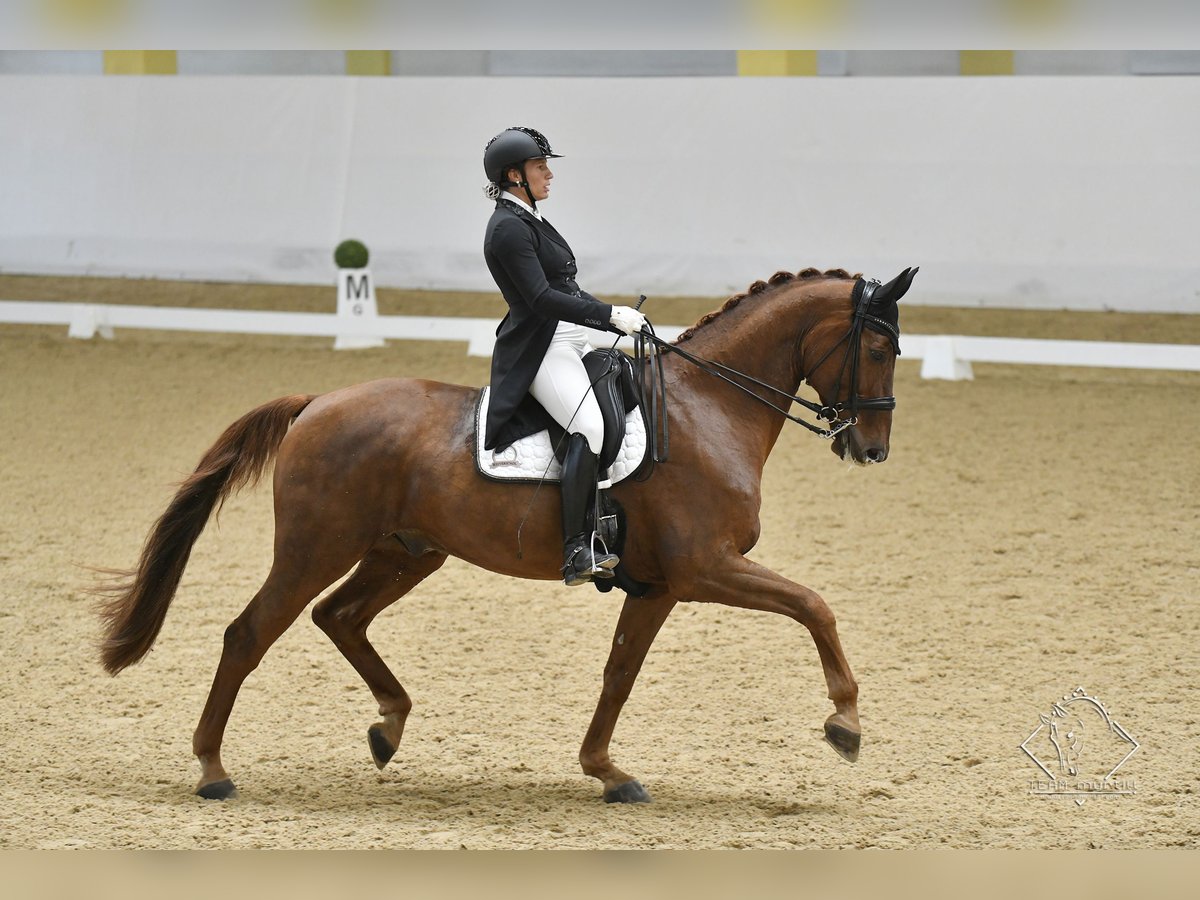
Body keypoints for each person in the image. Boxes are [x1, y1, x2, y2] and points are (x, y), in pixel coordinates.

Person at [481, 126, 647, 587]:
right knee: (587, 426)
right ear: (514, 175)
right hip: (544, 345)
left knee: (652, 371)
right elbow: (539, 299)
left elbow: (566, 289)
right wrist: (607, 314)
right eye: (540, 167)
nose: (549, 174)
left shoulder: (529, 216)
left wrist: (613, 319)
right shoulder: (508, 228)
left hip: (570, 331)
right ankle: (577, 548)